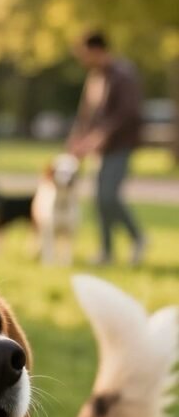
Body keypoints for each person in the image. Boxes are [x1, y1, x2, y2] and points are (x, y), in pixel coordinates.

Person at [68, 31, 146, 266]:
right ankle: (106, 251)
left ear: (96, 50)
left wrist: (101, 136)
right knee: (99, 200)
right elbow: (86, 115)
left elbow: (127, 113)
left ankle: (138, 237)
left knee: (109, 197)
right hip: (99, 150)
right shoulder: (95, 77)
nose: (83, 60)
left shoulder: (123, 75)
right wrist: (76, 141)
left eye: (85, 54)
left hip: (120, 146)